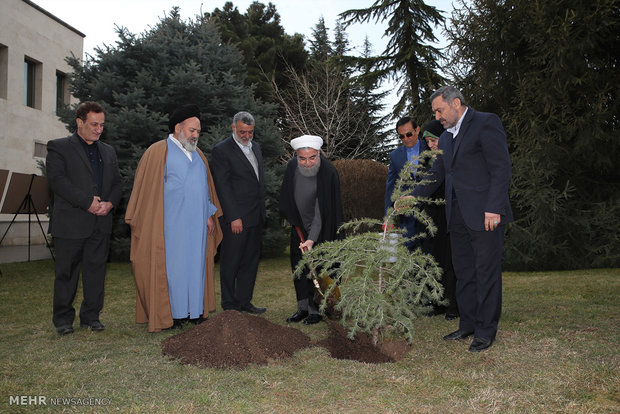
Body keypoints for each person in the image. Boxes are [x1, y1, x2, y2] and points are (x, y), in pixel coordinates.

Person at [413, 86, 513, 352]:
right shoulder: (445, 138)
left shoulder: (485, 123)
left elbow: (500, 167)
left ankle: (485, 331)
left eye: (439, 110)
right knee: (464, 272)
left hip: (485, 216)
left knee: (485, 273)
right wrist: (412, 196)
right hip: (456, 217)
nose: (437, 115)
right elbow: (437, 174)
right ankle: (467, 324)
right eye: (435, 111)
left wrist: (494, 208)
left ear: (456, 103)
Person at [125, 104, 223, 332]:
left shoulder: (198, 155)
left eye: (198, 131)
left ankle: (195, 311)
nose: (195, 135)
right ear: (178, 127)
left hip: (197, 225)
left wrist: (210, 214)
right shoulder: (159, 152)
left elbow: (205, 189)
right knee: (174, 269)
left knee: (196, 266)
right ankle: (174, 315)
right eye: (192, 130)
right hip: (170, 225)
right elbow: (147, 192)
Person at [46, 101, 122, 335]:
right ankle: (63, 320)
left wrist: (110, 203)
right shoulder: (58, 147)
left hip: (101, 223)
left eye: (101, 125)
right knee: (66, 273)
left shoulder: (108, 151)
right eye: (94, 124)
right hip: (70, 223)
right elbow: (58, 181)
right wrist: (87, 202)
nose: (99, 129)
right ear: (79, 122)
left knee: (96, 271)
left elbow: (117, 183)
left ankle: (91, 317)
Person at [279, 135, 343, 325]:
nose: (307, 163)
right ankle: (303, 308)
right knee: (299, 268)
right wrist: (294, 221)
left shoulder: (328, 173)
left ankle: (316, 310)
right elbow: (286, 196)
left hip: (322, 230)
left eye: (312, 157)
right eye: (302, 158)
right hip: (298, 228)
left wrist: (312, 238)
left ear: (319, 154)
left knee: (319, 268)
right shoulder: (292, 167)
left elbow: (321, 212)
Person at [210, 112, 266, 314]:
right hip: (236, 218)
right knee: (231, 261)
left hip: (255, 215)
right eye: (242, 131)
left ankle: (244, 302)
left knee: (250, 261)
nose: (246, 135)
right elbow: (222, 187)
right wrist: (233, 216)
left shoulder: (256, 147)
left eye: (250, 132)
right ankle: (229, 305)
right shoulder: (221, 151)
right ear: (233, 128)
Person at [421, 120, 458, 321]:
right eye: (427, 141)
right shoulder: (426, 162)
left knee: (450, 262)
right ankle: (438, 302)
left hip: (449, 216)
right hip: (431, 219)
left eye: (434, 140)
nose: (431, 145)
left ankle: (453, 305)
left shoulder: (450, 160)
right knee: (434, 261)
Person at [384, 116, 429, 250]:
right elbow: (391, 186)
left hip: (430, 210)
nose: (406, 139)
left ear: (417, 130)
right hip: (407, 213)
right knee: (408, 248)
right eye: (402, 136)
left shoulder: (430, 147)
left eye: (409, 134)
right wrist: (388, 215)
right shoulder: (395, 156)